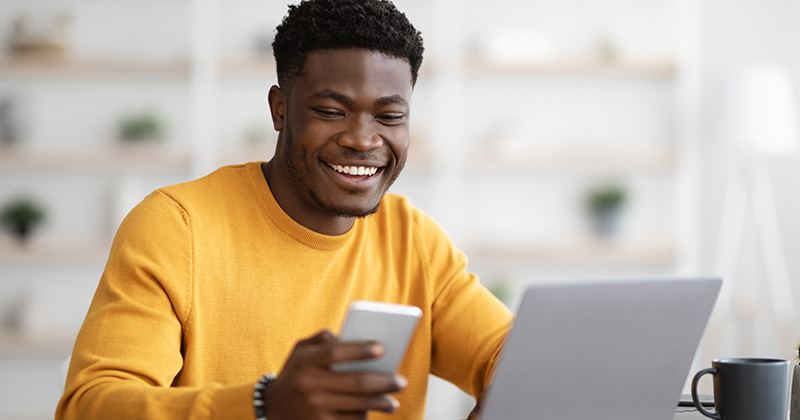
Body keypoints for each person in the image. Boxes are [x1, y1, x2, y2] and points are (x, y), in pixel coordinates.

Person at [55, 1, 513, 419]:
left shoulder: (412, 237)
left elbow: (512, 355)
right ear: (280, 110)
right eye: (331, 111)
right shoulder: (177, 226)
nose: (363, 139)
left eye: (389, 117)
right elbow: (91, 405)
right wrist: (265, 405)